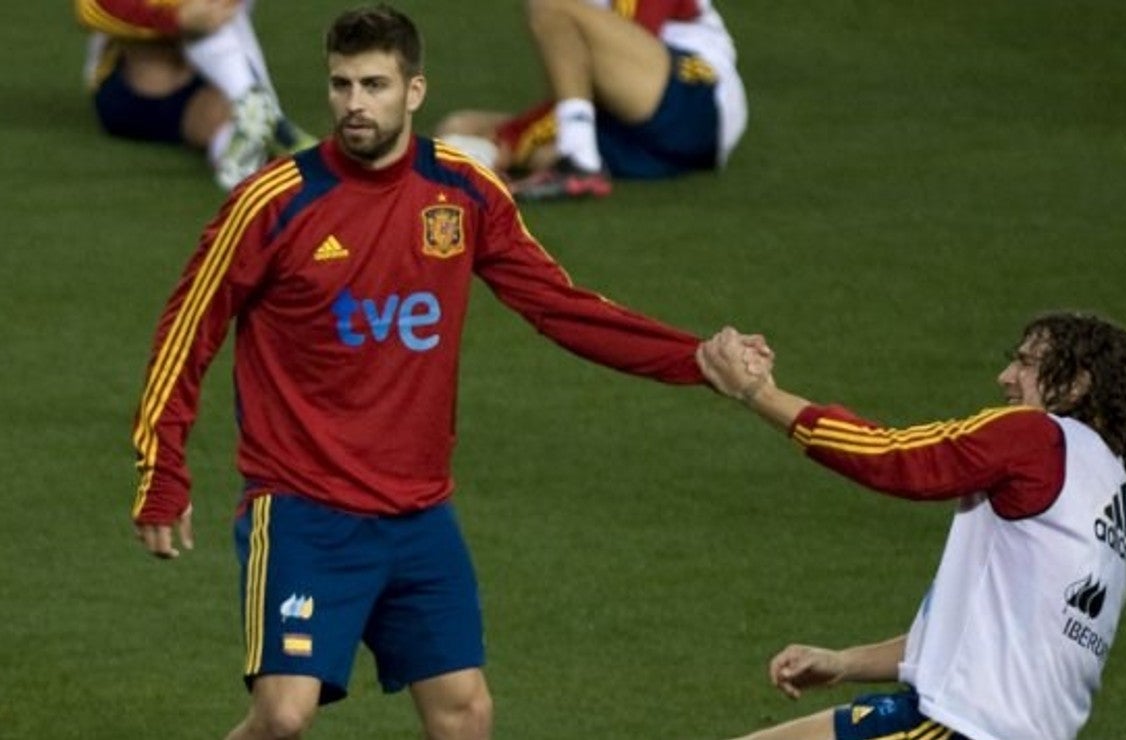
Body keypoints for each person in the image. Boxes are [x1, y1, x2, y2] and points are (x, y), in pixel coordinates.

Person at [127, 4, 745, 738]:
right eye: (343, 85)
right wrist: (163, 469)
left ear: (415, 91)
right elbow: (187, 331)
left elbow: (561, 307)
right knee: (283, 717)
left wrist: (692, 358)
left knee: (465, 713)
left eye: (376, 85)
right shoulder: (275, 203)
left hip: (418, 516)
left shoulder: (467, 192)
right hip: (301, 511)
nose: (356, 104)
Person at [697, 313, 1126, 740]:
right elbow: (979, 637)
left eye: (1027, 363)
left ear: (1076, 385)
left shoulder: (1037, 437)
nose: (1006, 377)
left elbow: (895, 458)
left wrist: (758, 393)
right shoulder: (1110, 493)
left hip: (962, 728)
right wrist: (843, 663)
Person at [433, 0, 747, 201]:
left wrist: (510, 139)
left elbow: (625, 55)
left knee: (550, 5)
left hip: (694, 101)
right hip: (648, 136)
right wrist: (503, 142)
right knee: (461, 126)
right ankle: (578, 156)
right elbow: (577, 94)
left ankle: (580, 163)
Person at [76, 0, 315, 189]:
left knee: (236, 132)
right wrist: (176, 19)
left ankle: (251, 137)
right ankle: (264, 113)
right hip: (138, 88)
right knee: (203, 10)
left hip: (205, 79)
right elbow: (91, 8)